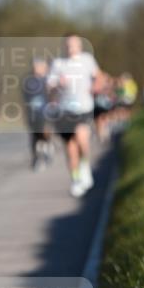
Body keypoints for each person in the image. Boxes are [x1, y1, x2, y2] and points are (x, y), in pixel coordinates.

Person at [47, 34, 100, 198]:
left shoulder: (87, 60)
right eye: (68, 45)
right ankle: (76, 180)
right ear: (64, 46)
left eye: (74, 45)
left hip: (83, 107)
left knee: (82, 138)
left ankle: (85, 168)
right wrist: (57, 84)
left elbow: (98, 76)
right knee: (70, 148)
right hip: (65, 111)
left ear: (79, 46)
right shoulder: (58, 63)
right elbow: (49, 87)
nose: (71, 48)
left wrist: (94, 88)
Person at [22, 58, 54, 170]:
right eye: (36, 66)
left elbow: (53, 94)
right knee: (34, 136)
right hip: (33, 114)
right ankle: (36, 158)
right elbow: (25, 96)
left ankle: (47, 149)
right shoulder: (28, 80)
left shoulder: (48, 80)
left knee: (45, 133)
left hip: (45, 113)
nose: (37, 68)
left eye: (40, 66)